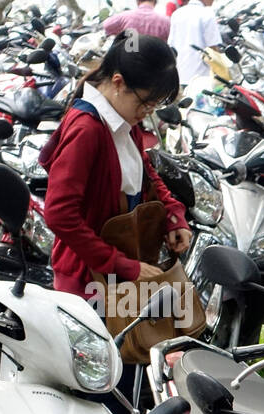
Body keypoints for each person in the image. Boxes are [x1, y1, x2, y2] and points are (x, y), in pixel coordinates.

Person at [39, 31, 189, 296]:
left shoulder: (122, 119)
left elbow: (146, 172)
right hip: (87, 280)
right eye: (146, 103)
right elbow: (59, 214)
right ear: (119, 83)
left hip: (120, 267)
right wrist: (120, 265)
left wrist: (173, 216)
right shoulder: (88, 129)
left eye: (154, 107)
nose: (147, 113)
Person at [168, 0, 222, 84]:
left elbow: (171, 45)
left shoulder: (177, 14)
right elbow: (213, 48)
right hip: (203, 76)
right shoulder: (207, 13)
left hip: (181, 75)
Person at [104, 0, 171, 39]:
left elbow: (106, 26)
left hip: (129, 59)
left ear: (138, 1)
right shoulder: (166, 21)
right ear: (155, 1)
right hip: (156, 61)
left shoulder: (125, 16)